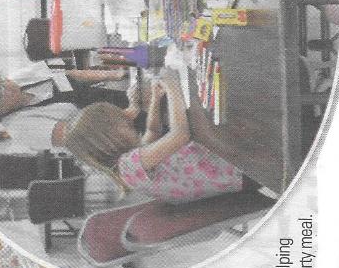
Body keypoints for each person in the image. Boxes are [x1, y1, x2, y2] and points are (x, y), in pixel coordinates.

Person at [59, 69, 253, 202]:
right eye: (121, 119)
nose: (127, 115)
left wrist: (155, 98)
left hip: (226, 168)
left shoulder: (126, 165)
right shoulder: (130, 165)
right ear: (109, 140)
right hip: (237, 167)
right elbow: (180, 134)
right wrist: (173, 87)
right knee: (235, 101)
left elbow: (152, 132)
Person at [0, 62, 128, 127]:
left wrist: (114, 75)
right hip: (113, 126)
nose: (9, 85)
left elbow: (71, 74)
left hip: (113, 98)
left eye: (1, 79)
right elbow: (84, 135)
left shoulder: (21, 76)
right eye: (1, 91)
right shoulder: (21, 127)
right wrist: (131, 113)